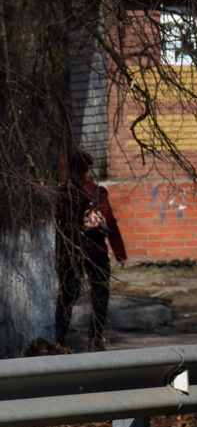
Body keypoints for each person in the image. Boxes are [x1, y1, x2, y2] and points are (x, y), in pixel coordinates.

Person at [55, 150, 127, 351]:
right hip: (95, 249)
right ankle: (95, 339)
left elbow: (58, 226)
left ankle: (59, 338)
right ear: (89, 167)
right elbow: (110, 223)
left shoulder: (63, 193)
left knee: (67, 294)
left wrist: (58, 252)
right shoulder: (97, 193)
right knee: (100, 294)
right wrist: (120, 253)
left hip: (69, 251)